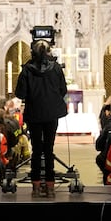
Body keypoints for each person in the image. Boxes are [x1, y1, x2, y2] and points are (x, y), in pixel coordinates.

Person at [13, 38, 68, 198]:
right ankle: (50, 187)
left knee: (37, 150)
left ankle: (36, 187)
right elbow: (63, 90)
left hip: (34, 114)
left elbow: (20, 94)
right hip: (51, 114)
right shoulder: (56, 68)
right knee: (49, 149)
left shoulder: (27, 70)